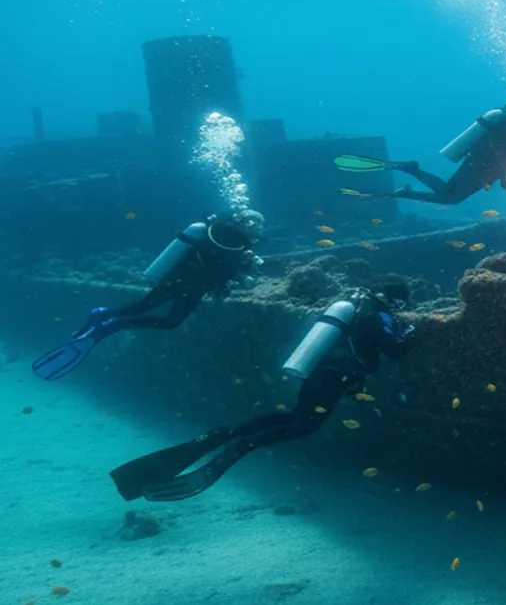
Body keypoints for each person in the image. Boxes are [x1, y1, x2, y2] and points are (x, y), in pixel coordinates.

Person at [109, 281, 417, 502]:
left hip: (323, 375)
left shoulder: (360, 313)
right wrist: (412, 330)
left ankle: (226, 434)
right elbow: (397, 350)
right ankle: (243, 444)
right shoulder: (378, 317)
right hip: (329, 378)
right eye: (404, 304)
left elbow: (357, 350)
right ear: (397, 301)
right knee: (303, 425)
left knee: (295, 417)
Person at [32, 210, 265, 381]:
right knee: (171, 322)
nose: (254, 233)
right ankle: (109, 326)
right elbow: (222, 270)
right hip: (192, 287)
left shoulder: (214, 233)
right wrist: (244, 275)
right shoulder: (233, 245)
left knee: (140, 307)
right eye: (254, 228)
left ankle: (101, 315)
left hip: (173, 279)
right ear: (247, 226)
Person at [334, 100, 506, 205]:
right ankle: (408, 182)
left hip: (490, 171)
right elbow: (498, 150)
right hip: (479, 167)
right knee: (449, 197)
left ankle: (411, 175)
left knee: (450, 196)